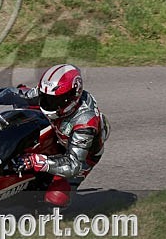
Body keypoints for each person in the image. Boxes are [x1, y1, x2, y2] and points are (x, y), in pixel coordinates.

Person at [12, 64, 110, 208]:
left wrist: (37, 161)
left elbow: (73, 164)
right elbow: (23, 94)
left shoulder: (85, 123)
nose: (48, 103)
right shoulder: (52, 96)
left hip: (81, 155)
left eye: (55, 100)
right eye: (46, 98)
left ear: (72, 96)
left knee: (56, 198)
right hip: (60, 134)